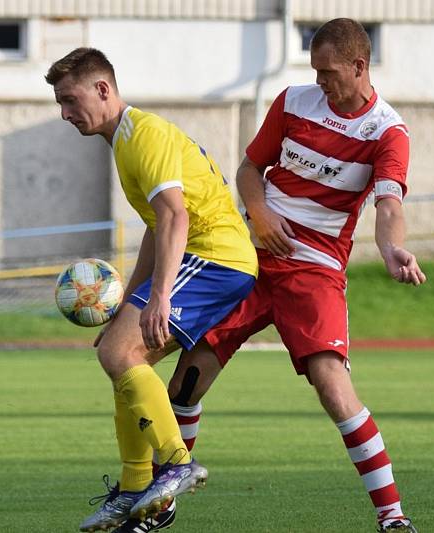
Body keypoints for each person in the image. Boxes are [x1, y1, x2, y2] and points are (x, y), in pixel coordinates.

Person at [164, 18, 425, 532]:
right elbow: (248, 170)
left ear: (359, 65)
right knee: (187, 380)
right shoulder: (292, 101)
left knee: (334, 388)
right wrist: (260, 213)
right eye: (314, 71)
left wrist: (394, 248)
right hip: (250, 259)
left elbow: (389, 202)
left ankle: (392, 517)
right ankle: (161, 502)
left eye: (328, 72)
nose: (320, 82)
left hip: (315, 270)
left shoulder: (388, 133)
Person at [45, 47, 258, 533]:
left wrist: (159, 296)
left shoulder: (145, 135)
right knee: (121, 357)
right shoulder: (125, 142)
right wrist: (129, 301)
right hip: (202, 257)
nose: (65, 114)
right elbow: (154, 226)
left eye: (70, 100)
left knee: (121, 353)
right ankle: (134, 487)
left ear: (103, 89)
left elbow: (176, 216)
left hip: (216, 257)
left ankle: (176, 464)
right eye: (59, 103)